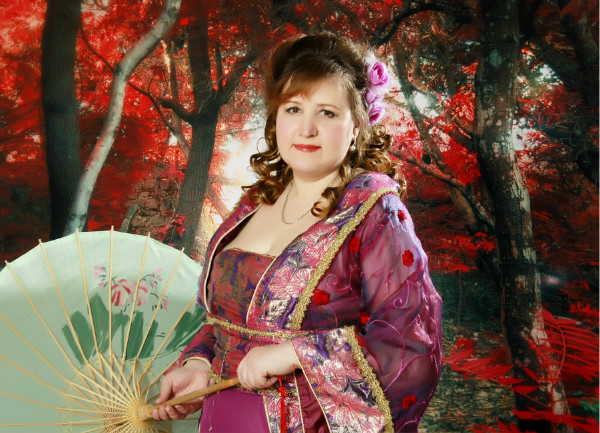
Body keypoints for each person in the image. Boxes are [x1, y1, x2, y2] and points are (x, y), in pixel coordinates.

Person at [152, 32, 442, 433]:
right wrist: (198, 363)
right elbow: (225, 322)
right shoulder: (254, 202)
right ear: (277, 118)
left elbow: (411, 346)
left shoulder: (375, 211)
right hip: (221, 418)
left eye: (327, 113)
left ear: (356, 125)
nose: (306, 129)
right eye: (293, 108)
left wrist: (296, 353)